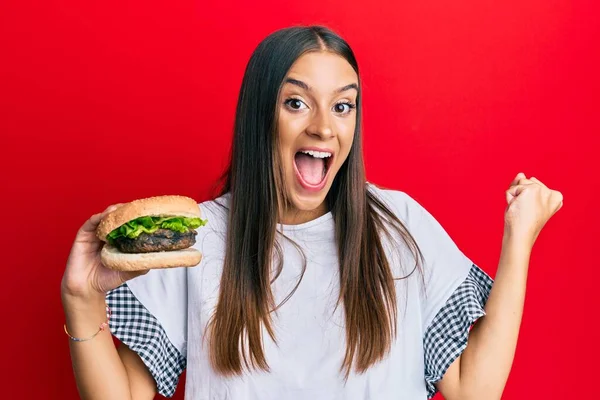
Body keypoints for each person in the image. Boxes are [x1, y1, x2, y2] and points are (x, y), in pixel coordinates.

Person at [60, 25, 563, 400]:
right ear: (261, 115)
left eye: (343, 106)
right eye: (297, 103)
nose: (325, 127)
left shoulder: (401, 225)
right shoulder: (199, 237)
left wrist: (518, 239)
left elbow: (473, 390)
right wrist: (81, 299)